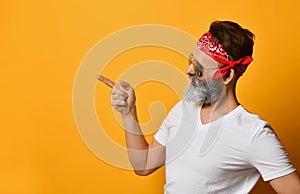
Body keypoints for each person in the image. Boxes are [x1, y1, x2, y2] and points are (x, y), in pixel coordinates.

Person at [98, 21, 300, 193]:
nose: (188, 70)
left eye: (198, 68)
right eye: (190, 61)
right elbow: (143, 165)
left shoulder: (254, 134)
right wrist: (128, 112)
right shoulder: (182, 110)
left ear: (227, 76)